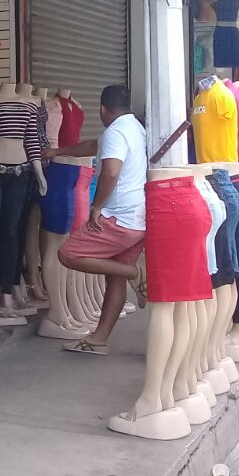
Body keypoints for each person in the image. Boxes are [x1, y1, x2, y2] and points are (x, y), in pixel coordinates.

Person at [49, 85, 148, 356]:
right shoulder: (134, 128)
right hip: (137, 217)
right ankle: (99, 339)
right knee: (114, 275)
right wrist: (57, 151)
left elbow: (111, 171)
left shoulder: (116, 132)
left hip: (118, 216)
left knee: (68, 254)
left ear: (103, 109)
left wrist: (97, 205)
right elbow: (94, 146)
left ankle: (135, 273)